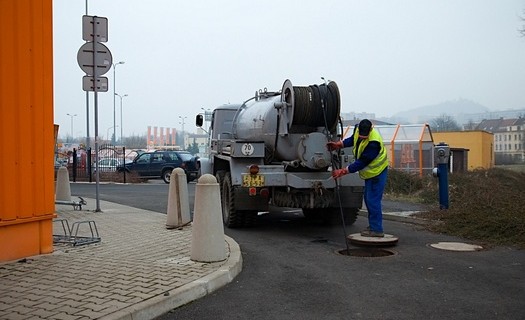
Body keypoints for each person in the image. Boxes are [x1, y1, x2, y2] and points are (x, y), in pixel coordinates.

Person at [326, 119, 388, 237]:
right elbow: (353, 140)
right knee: (369, 199)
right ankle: (373, 227)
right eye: (361, 135)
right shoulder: (357, 129)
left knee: (372, 200)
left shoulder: (374, 142)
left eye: (365, 136)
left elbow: (362, 162)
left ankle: (377, 230)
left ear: (370, 130)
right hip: (370, 173)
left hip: (377, 172)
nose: (362, 138)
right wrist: (338, 145)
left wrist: (343, 171)